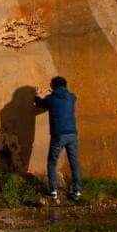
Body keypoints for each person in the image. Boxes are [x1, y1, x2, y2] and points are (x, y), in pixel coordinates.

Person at [34, 75, 80, 203]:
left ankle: (53, 191)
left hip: (58, 135)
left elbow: (40, 104)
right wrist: (55, 92)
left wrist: (37, 95)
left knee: (52, 162)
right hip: (72, 134)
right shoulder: (71, 97)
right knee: (74, 162)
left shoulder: (51, 99)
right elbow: (72, 96)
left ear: (53, 86)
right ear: (65, 86)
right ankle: (77, 191)